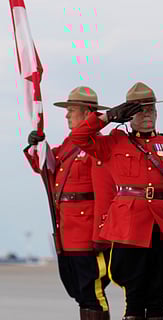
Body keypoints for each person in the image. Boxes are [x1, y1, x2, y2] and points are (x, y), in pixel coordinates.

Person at [70, 82, 163, 320]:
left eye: (151, 109)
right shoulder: (114, 142)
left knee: (159, 294)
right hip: (130, 227)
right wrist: (108, 116)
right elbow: (79, 136)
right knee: (133, 298)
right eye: (140, 110)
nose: (147, 114)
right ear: (129, 114)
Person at [24, 86, 111, 319]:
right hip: (68, 233)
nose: (66, 115)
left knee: (93, 293)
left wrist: (100, 235)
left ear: (87, 113)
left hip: (87, 234)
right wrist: (37, 146)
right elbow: (47, 167)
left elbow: (104, 195)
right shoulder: (70, 144)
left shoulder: (97, 146)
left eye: (71, 110)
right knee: (79, 292)